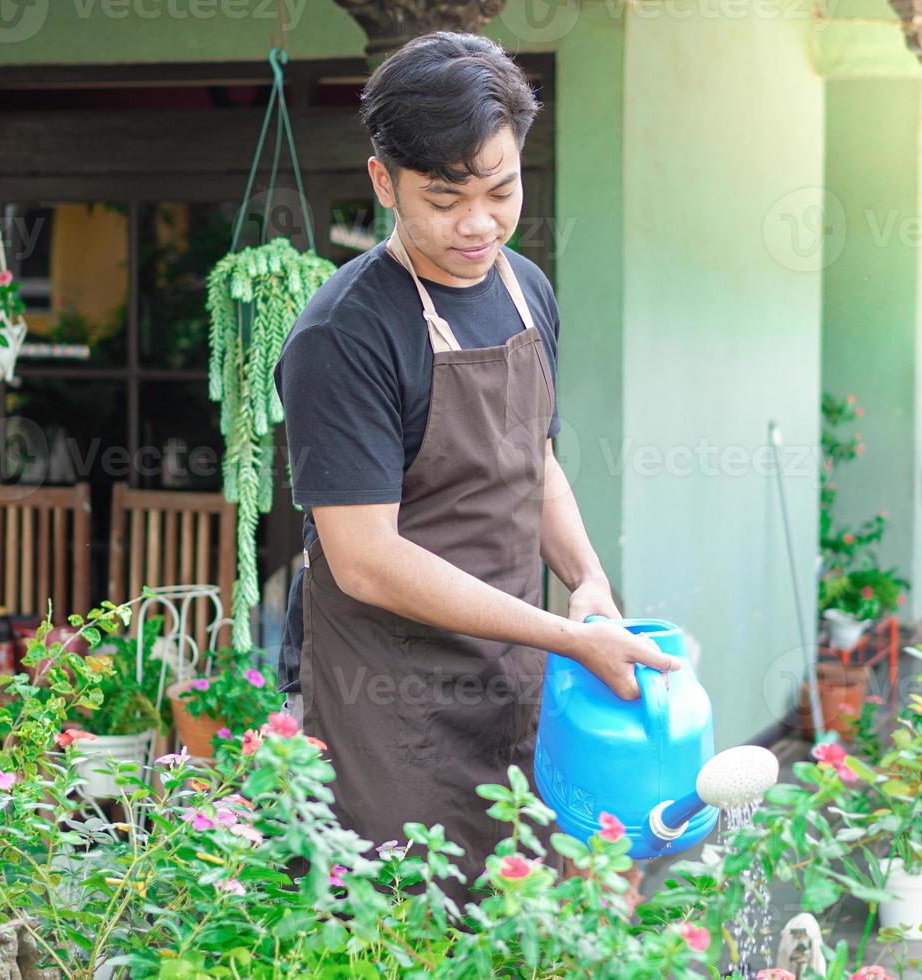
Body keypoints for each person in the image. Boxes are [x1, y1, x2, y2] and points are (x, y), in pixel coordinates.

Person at [273, 31, 679, 904]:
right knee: (407, 925)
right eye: (446, 198)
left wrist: (588, 582)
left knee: (535, 921)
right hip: (390, 711)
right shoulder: (343, 336)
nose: (479, 224)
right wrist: (569, 636)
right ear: (384, 183)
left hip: (515, 676)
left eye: (501, 191)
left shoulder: (525, 286)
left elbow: (531, 457)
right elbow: (366, 559)